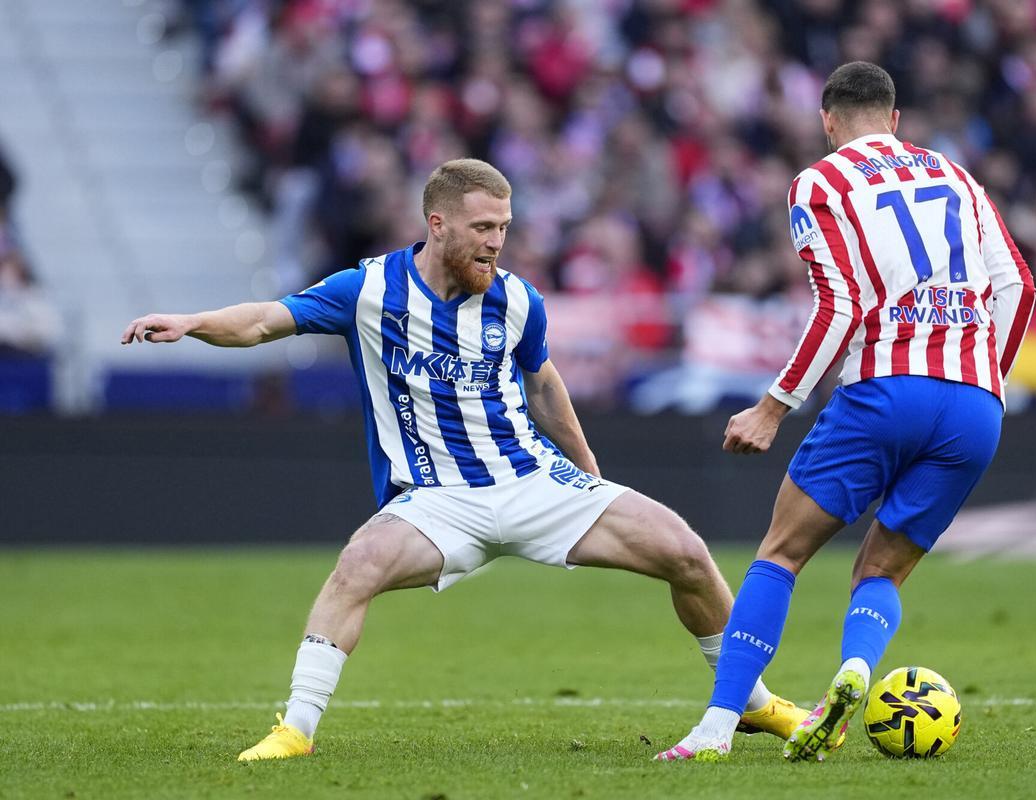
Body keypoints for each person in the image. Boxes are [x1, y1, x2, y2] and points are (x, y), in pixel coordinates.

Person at [121, 158, 807, 761]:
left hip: (533, 480)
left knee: (685, 550)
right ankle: (296, 730)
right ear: (438, 223)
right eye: (483, 228)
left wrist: (589, 475)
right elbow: (265, 320)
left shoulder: (517, 300)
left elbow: (543, 386)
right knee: (356, 567)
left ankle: (752, 700)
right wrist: (191, 323)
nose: (496, 242)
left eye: (504, 227)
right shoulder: (369, 290)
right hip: (437, 499)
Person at [655, 62, 1036, 763]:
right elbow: (1020, 285)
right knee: (882, 572)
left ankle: (715, 728)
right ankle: (858, 666)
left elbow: (844, 306)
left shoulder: (820, 182)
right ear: (895, 119)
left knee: (780, 555)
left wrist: (773, 406)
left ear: (827, 120)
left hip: (884, 390)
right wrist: (990, 381)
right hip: (974, 405)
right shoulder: (956, 175)